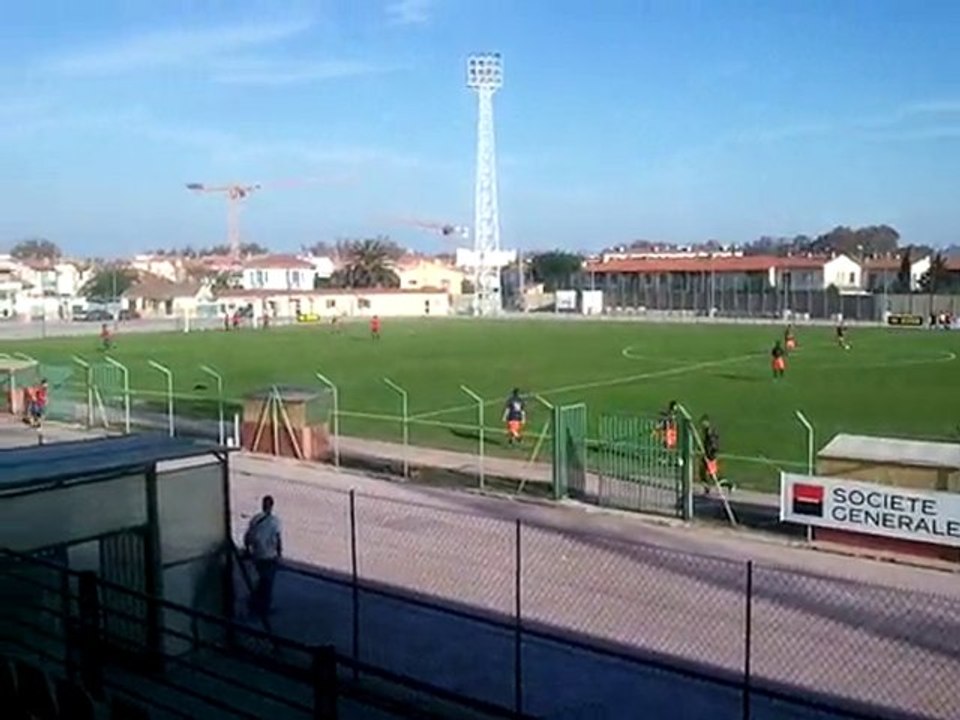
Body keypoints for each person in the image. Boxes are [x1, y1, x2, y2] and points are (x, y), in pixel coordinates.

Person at [243, 495, 282, 616]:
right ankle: (264, 608)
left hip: (257, 554)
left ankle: (254, 603)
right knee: (268, 583)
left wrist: (248, 550)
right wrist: (279, 554)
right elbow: (277, 539)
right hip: (269, 556)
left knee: (260, 580)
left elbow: (247, 537)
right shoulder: (275, 521)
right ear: (272, 506)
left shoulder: (255, 519)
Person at [699, 416, 720, 493]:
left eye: (703, 423)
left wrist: (711, 452)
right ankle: (706, 487)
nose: (702, 425)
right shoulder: (706, 431)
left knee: (712, 474)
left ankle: (728, 485)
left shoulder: (710, 432)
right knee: (702, 472)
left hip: (710, 455)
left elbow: (713, 443)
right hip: (707, 455)